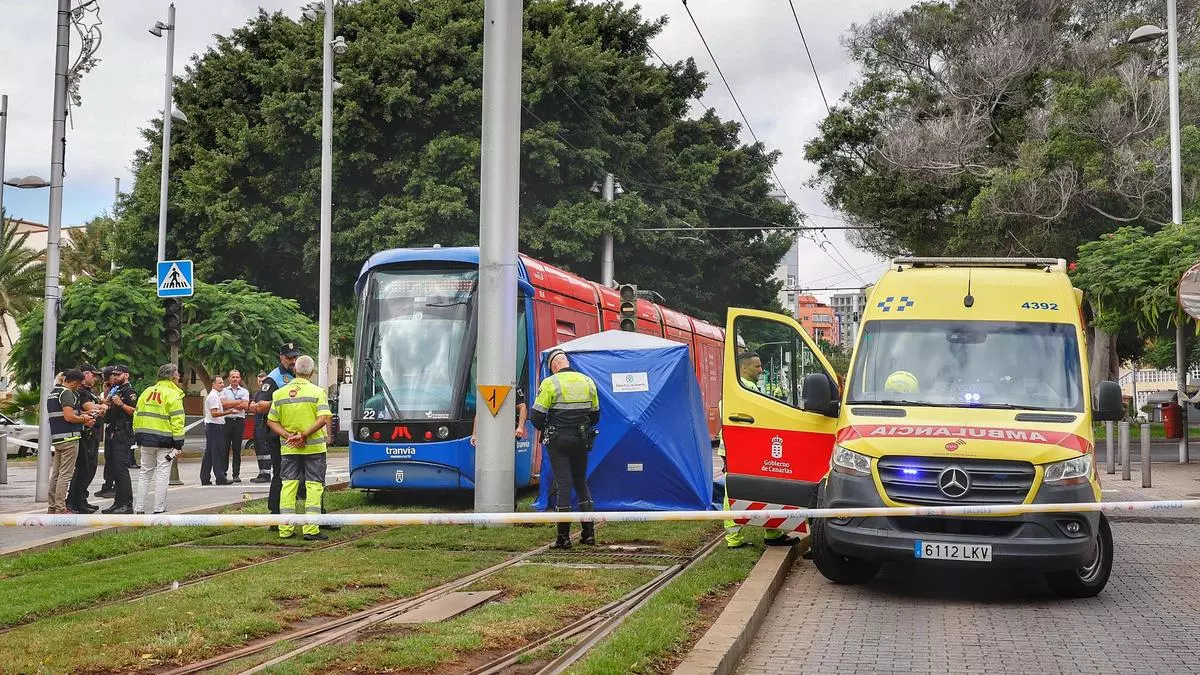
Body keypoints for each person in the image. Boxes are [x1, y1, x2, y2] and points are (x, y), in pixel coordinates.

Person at [723, 351, 799, 548]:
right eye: (757, 366)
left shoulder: (743, 388)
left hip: (743, 448)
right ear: (744, 368)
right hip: (743, 449)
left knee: (761, 488)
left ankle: (771, 533)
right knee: (739, 491)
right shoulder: (745, 390)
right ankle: (737, 538)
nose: (761, 369)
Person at [529, 349, 599, 549]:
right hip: (581, 439)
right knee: (580, 482)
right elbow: (595, 416)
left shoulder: (550, 383)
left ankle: (563, 537)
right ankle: (589, 534)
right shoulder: (588, 382)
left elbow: (536, 416)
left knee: (564, 485)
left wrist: (548, 427)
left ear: (553, 366)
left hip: (558, 441)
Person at [265, 355, 333, 540]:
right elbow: (322, 419)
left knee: (288, 485)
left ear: (295, 369)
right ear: (311, 372)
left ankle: (285, 529)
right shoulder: (318, 392)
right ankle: (311, 530)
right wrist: (303, 435)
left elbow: (271, 421)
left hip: (289, 448)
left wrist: (289, 436)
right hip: (314, 449)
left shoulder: (279, 394)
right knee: (313, 486)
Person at [249, 344, 299, 514]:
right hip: (278, 434)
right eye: (289, 358)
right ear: (281, 357)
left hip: (298, 432)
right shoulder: (273, 378)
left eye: (295, 357)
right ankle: (275, 513)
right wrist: (285, 400)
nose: (293, 361)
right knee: (280, 473)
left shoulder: (299, 375)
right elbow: (261, 406)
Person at [133, 363, 186, 514]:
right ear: (171, 376)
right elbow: (177, 421)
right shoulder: (173, 394)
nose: (179, 376)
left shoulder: (146, 392)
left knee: (145, 473)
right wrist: (179, 443)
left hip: (145, 439)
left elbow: (136, 414)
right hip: (165, 440)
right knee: (162, 474)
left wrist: (137, 434)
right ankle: (158, 508)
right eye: (177, 374)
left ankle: (139, 509)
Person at [47, 369, 94, 514]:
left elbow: (63, 414)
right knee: (65, 474)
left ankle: (52, 506)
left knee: (56, 474)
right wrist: (83, 419)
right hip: (70, 438)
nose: (78, 387)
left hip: (58, 437)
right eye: (78, 384)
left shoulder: (54, 392)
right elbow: (68, 416)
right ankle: (61, 507)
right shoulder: (66, 393)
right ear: (74, 382)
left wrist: (81, 414)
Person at [67, 365, 106, 514]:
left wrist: (101, 406)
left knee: (90, 467)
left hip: (93, 433)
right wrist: (101, 407)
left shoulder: (89, 392)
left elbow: (99, 408)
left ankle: (81, 499)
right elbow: (93, 409)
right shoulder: (81, 392)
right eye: (93, 375)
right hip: (86, 434)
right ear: (85, 374)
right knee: (84, 468)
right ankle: (74, 501)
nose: (95, 379)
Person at [101, 364, 138, 514]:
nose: (115, 377)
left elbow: (135, 412)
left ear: (126, 375)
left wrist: (120, 404)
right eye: (114, 374)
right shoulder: (115, 390)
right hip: (112, 430)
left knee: (121, 468)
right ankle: (118, 502)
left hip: (123, 432)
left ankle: (127, 504)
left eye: (119, 374)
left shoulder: (130, 392)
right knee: (113, 468)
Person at [200, 376, 234, 485]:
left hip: (212, 426)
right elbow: (214, 413)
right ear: (213, 384)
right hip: (214, 426)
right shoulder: (214, 397)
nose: (222, 385)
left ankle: (205, 477)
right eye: (219, 383)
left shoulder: (215, 395)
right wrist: (228, 412)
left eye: (222, 383)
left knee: (209, 453)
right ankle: (220, 477)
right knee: (217, 452)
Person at [221, 370, 252, 483]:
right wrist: (238, 401)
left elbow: (245, 405)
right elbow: (223, 405)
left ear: (240, 379)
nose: (235, 379)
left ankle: (236, 474)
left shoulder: (244, 391)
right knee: (224, 448)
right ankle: (223, 473)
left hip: (239, 422)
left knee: (237, 448)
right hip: (227, 421)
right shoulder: (224, 391)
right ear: (229, 378)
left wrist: (231, 403)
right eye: (232, 377)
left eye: (237, 377)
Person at [249, 371, 272, 484]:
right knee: (258, 448)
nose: (261, 383)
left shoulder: (268, 394)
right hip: (257, 423)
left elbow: (258, 407)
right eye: (259, 381)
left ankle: (266, 473)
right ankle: (261, 472)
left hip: (264, 423)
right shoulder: (258, 394)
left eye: (263, 381)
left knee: (265, 449)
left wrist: (256, 406)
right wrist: (256, 406)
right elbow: (252, 407)